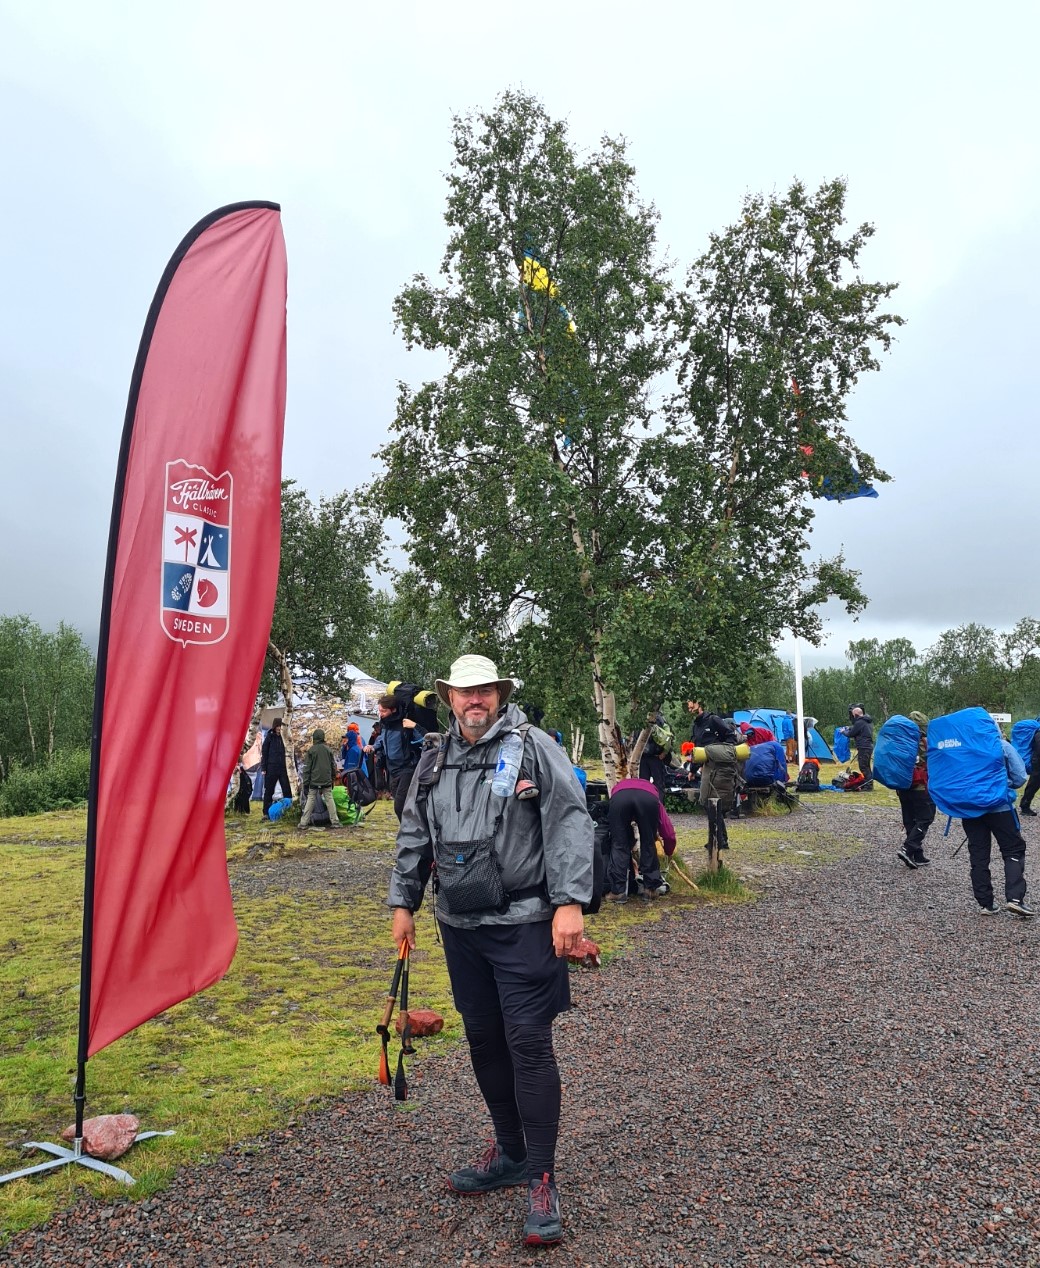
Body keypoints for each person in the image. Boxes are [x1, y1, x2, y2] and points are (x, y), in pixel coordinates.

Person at [388, 654, 592, 1248]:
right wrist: (403, 902)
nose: (474, 701)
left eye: (485, 691)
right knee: (483, 1039)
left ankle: (541, 1177)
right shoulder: (432, 757)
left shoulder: (533, 748)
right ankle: (509, 1152)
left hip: (525, 922)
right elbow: (413, 832)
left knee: (527, 1042)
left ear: (499, 694)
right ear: (449, 698)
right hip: (460, 926)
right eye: (464, 692)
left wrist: (570, 901)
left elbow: (570, 820)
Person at [963, 733, 1033, 917]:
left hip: (971, 809)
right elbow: (1020, 776)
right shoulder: (1001, 745)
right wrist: (1003, 784)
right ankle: (1015, 899)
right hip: (1001, 807)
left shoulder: (964, 746)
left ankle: (986, 903)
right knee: (1013, 850)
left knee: (978, 853)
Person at [605, 776, 676, 903]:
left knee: (619, 843)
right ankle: (650, 890)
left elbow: (622, 833)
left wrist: (629, 843)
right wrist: (669, 850)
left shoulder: (618, 788)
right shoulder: (653, 795)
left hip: (619, 798)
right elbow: (667, 830)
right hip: (647, 799)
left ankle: (618, 892)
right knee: (648, 842)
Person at [687, 701, 739, 851]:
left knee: (714, 802)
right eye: (688, 706)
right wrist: (692, 770)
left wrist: (718, 752)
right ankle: (719, 838)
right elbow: (698, 749)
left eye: (691, 705)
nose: (689, 708)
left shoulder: (713, 720)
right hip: (706, 767)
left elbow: (731, 738)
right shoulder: (696, 725)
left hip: (719, 767)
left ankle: (719, 839)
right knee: (707, 802)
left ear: (699, 704)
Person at [367, 693, 427, 821]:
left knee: (399, 806)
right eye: (379, 711)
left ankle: (408, 831)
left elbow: (426, 740)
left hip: (408, 769)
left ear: (393, 710)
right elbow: (382, 740)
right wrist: (373, 747)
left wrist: (415, 726)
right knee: (404, 805)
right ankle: (411, 829)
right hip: (392, 770)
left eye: (384, 711)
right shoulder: (385, 725)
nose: (381, 714)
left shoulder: (405, 724)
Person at [896, 710, 935, 869]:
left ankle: (916, 854)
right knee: (926, 818)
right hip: (920, 786)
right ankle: (908, 848)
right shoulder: (925, 742)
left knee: (909, 819)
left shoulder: (899, 740)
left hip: (902, 785)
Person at [298, 729, 342, 830]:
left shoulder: (311, 750)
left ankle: (303, 823)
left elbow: (307, 768)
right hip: (326, 779)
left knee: (311, 799)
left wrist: (306, 783)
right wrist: (332, 778)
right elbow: (333, 766)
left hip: (314, 780)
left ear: (314, 738)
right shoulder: (328, 750)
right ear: (323, 737)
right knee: (329, 799)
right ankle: (335, 821)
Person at [261, 717, 291, 820]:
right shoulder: (269, 737)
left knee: (287, 790)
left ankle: (288, 811)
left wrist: (292, 766)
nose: (279, 728)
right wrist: (264, 768)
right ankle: (266, 813)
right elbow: (264, 753)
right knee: (268, 791)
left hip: (283, 768)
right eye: (277, 726)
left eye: (280, 726)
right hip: (271, 768)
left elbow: (291, 753)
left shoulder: (286, 737)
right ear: (274, 727)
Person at [845, 707, 875, 789]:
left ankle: (868, 786)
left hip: (863, 746)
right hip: (868, 746)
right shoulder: (867, 721)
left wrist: (843, 732)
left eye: (853, 715)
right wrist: (849, 727)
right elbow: (857, 729)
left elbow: (851, 734)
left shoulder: (859, 722)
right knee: (866, 766)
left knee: (863, 767)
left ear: (855, 714)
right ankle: (868, 783)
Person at [1018, 725, 1040, 816]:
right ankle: (1024, 806)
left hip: (1036, 761)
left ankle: (1025, 806)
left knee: (1033, 784)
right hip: (1038, 763)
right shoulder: (1038, 734)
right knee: (1033, 785)